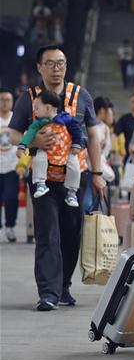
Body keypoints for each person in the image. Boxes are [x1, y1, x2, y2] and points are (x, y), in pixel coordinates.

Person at [7, 46, 106, 310]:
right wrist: (34, 140)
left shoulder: (81, 95)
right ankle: (48, 293)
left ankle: (63, 286)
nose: (56, 68)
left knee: (71, 233)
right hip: (43, 179)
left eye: (60, 63)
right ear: (39, 68)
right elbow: (13, 134)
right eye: (49, 64)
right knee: (47, 231)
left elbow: (94, 136)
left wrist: (97, 174)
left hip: (76, 176)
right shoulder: (28, 98)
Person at [16, 90, 85, 208]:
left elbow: (77, 130)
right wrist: (22, 146)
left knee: (74, 165)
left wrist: (76, 144)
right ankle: (41, 183)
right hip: (46, 151)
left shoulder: (66, 118)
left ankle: (72, 192)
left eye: (36, 108)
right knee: (38, 159)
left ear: (48, 108)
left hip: (65, 151)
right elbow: (29, 134)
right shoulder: (38, 123)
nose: (34, 111)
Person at [0, 88, 19, 242]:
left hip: (13, 165)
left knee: (11, 197)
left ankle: (10, 226)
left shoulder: (16, 119)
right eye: (2, 100)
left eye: (8, 100)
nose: (5, 103)